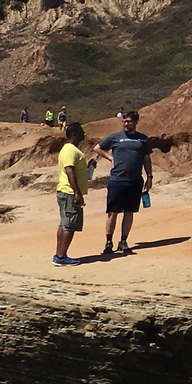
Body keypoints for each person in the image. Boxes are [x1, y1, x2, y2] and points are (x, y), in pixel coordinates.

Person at [95, 108, 154, 256]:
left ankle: (123, 241)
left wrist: (150, 177)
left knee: (129, 212)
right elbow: (97, 148)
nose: (126, 124)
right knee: (112, 212)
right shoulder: (116, 137)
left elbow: (147, 159)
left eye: (129, 121)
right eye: (124, 121)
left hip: (135, 181)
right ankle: (108, 242)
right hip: (117, 179)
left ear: (136, 122)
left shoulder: (143, 139)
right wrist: (110, 158)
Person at [53, 121, 90, 266]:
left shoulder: (70, 150)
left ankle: (59, 254)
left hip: (66, 191)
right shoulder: (70, 150)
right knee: (69, 225)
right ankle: (61, 256)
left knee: (64, 224)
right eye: (81, 131)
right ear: (74, 134)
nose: (84, 134)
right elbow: (69, 170)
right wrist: (77, 193)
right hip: (69, 192)